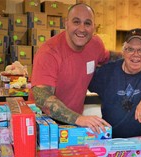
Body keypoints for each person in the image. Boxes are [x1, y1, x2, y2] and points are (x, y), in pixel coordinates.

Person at [31, 3, 121, 133]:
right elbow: (42, 98)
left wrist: (133, 56)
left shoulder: (95, 44)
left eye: (87, 23)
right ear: (66, 23)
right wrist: (79, 118)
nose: (82, 29)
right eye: (76, 22)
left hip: (73, 126)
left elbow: (109, 57)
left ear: (93, 27)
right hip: (43, 126)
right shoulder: (49, 52)